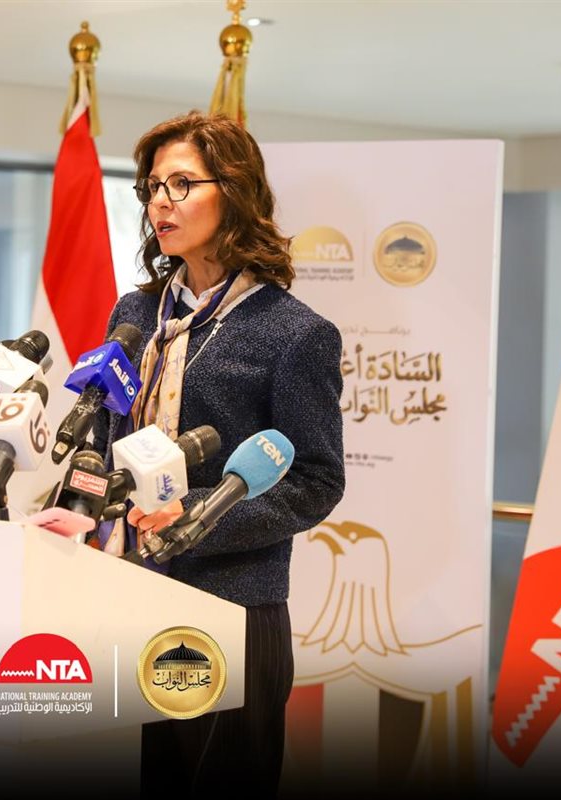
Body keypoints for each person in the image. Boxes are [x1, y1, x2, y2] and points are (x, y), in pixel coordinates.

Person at [89, 112, 345, 796]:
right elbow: (104, 436)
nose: (160, 202)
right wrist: (83, 509)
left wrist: (195, 513)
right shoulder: (136, 314)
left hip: (232, 604)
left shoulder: (294, 334)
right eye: (152, 187)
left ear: (232, 193)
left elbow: (315, 481)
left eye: (181, 184)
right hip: (133, 587)